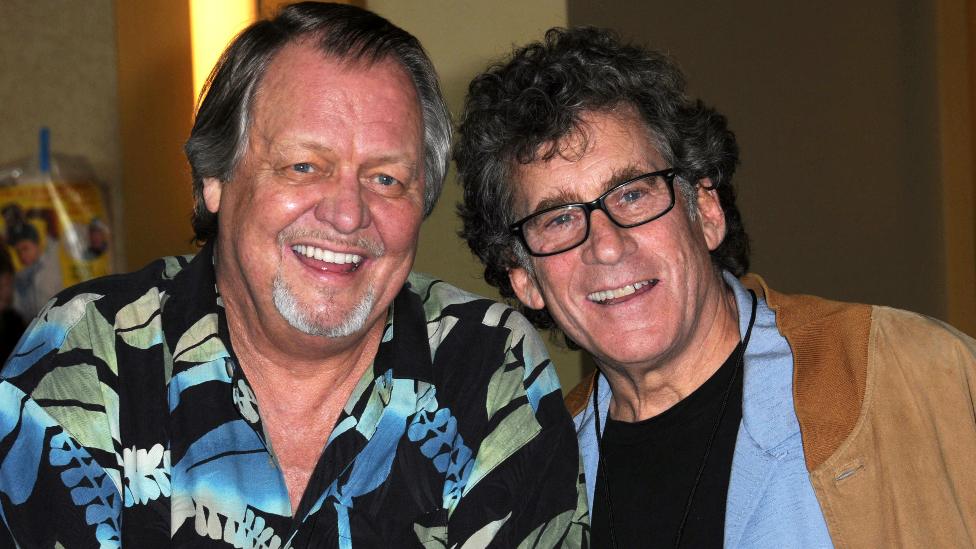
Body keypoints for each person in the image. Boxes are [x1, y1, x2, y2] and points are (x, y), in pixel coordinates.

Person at [0, 4, 587, 547]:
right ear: (216, 178)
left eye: (386, 179)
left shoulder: (484, 363)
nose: (348, 213)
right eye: (304, 166)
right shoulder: (85, 352)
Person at [456, 26, 976, 548]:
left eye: (633, 194)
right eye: (559, 219)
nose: (607, 245)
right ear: (524, 279)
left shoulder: (910, 375)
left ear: (705, 211)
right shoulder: (529, 487)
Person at [3, 205, 64, 319]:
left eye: (25, 248)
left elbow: (51, 217)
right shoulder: (19, 277)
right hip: (30, 329)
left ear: (37, 246)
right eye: (18, 252)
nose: (22, 255)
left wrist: (31, 212)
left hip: (56, 322)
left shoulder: (49, 259)